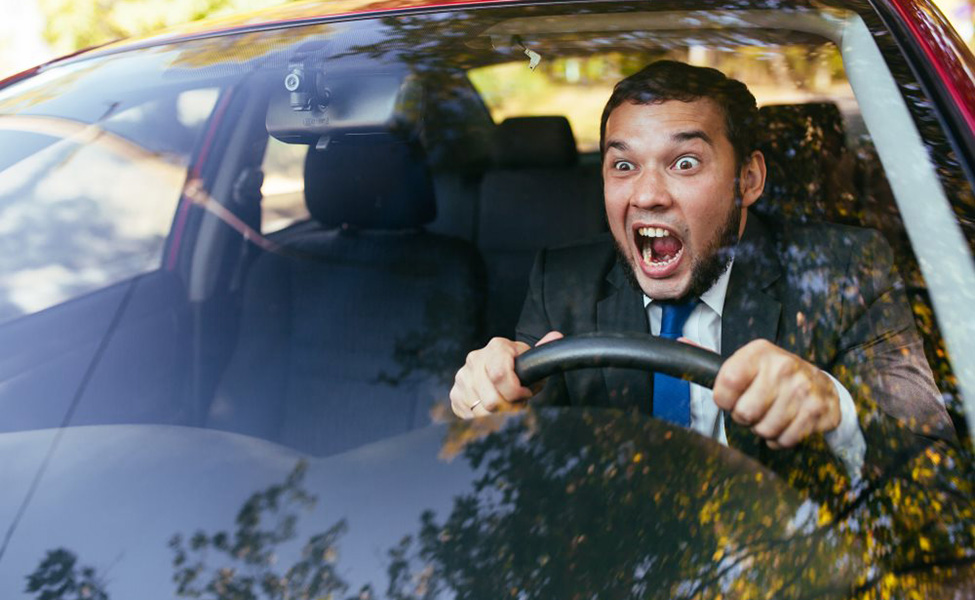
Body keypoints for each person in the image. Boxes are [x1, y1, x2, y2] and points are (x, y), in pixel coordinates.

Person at [449, 61, 955, 479]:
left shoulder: (846, 270)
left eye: (684, 163)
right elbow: (529, 468)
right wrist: (491, 399)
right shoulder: (560, 283)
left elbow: (932, 465)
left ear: (749, 179)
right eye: (623, 166)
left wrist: (835, 408)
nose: (647, 195)